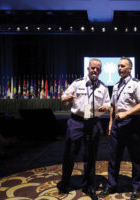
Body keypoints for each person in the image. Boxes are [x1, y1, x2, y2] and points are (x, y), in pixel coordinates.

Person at [57, 58, 110, 200]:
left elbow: (107, 104)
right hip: (76, 122)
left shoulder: (103, 87)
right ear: (88, 68)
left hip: (93, 123)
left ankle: (89, 186)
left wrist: (106, 107)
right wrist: (67, 98)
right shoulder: (77, 83)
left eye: (98, 69)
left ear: (100, 71)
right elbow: (63, 99)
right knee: (70, 155)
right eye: (93, 68)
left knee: (91, 157)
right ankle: (64, 184)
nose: (95, 71)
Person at [98, 57, 140, 200]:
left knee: (135, 158)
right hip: (116, 126)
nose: (119, 68)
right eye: (118, 66)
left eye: (123, 66)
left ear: (130, 68)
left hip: (132, 124)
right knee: (113, 157)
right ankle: (112, 185)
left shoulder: (137, 84)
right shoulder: (116, 86)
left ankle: (137, 187)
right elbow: (113, 106)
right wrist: (110, 122)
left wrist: (126, 113)